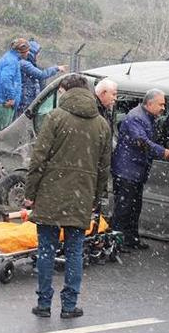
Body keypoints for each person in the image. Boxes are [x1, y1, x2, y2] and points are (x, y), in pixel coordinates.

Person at [24, 74, 111, 318]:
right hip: (81, 195)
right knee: (74, 251)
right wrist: (96, 196)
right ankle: (69, 306)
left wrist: (30, 193)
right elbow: (104, 167)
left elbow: (38, 158)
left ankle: (43, 304)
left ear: (64, 90)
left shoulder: (55, 117)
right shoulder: (101, 124)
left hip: (50, 193)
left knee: (46, 250)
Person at [111, 89, 169, 250]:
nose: (163, 108)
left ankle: (131, 238)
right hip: (127, 171)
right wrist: (164, 152)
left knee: (134, 207)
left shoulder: (147, 117)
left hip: (134, 171)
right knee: (123, 208)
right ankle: (117, 242)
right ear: (149, 103)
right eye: (161, 104)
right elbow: (141, 141)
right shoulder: (136, 118)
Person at [0, 38, 30, 139]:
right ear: (22, 50)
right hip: (4, 103)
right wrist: (11, 97)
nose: (29, 53)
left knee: (0, 132)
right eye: (28, 50)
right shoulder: (12, 61)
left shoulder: (10, 58)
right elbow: (5, 80)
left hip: (2, 101)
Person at [15, 39, 67, 118]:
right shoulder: (25, 65)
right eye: (37, 53)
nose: (38, 56)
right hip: (25, 101)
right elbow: (41, 75)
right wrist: (57, 68)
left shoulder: (29, 64)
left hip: (28, 99)